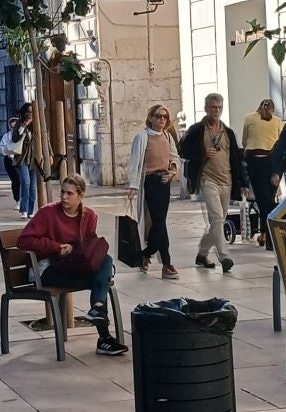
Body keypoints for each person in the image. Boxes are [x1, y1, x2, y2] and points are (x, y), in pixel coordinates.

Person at [19, 174, 128, 357]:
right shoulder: (48, 213)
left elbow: (88, 246)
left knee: (105, 261)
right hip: (49, 270)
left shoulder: (89, 216)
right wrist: (56, 247)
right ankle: (104, 337)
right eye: (62, 192)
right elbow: (24, 240)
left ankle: (98, 309)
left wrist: (78, 249)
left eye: (69, 193)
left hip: (74, 266)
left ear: (81, 195)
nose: (63, 197)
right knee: (101, 278)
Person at [178, 93, 247, 275]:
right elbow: (181, 149)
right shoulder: (197, 130)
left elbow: (237, 159)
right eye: (212, 107)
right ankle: (224, 257)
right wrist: (202, 152)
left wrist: (243, 182)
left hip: (227, 180)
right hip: (208, 180)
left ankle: (202, 253)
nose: (216, 110)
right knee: (217, 218)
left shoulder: (228, 133)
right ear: (206, 108)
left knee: (219, 221)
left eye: (219, 107)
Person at [126, 104, 180, 280]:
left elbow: (174, 157)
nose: (162, 119)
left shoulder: (167, 136)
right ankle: (166, 263)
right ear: (150, 117)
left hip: (165, 181)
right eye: (158, 116)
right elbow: (135, 161)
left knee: (160, 222)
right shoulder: (142, 137)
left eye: (165, 116)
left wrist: (173, 170)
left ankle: (146, 253)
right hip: (150, 181)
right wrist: (133, 186)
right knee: (159, 222)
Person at [241, 98, 284, 244]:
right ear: (272, 109)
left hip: (255, 162)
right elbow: (279, 142)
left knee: (262, 199)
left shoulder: (249, 118)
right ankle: (266, 232)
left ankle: (265, 233)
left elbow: (244, 141)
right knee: (269, 199)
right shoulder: (278, 121)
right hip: (271, 162)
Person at [16, 100, 43, 219]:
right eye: (28, 112)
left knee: (33, 186)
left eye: (32, 112)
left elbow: (45, 139)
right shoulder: (20, 123)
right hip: (23, 157)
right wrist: (24, 125)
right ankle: (24, 209)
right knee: (25, 183)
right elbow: (15, 137)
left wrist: (50, 155)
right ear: (25, 113)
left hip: (34, 158)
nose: (30, 114)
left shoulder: (37, 123)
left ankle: (31, 210)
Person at [0, 116, 23, 205]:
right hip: (9, 160)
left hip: (21, 159)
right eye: (12, 126)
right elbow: (1, 148)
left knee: (23, 180)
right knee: (15, 179)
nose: (13, 128)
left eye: (15, 126)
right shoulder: (6, 136)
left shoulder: (22, 133)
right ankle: (18, 200)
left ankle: (22, 199)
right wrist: (9, 152)